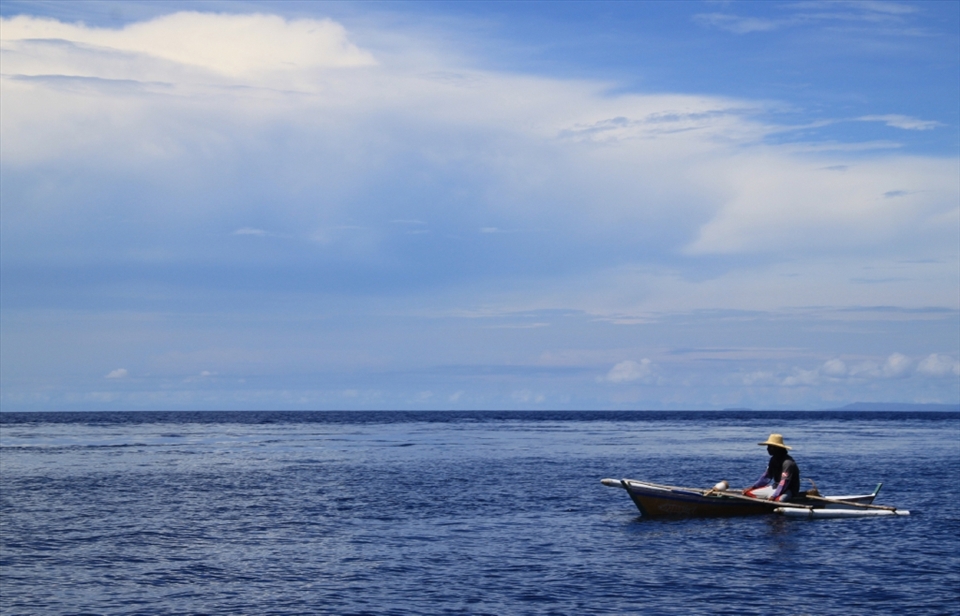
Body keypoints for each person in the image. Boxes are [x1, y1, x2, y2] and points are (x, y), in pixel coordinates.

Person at [744, 433, 800, 502]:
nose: (768, 449)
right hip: (775, 487)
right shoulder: (773, 460)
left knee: (778, 500)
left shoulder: (788, 463)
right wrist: (753, 487)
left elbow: (784, 483)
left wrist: (774, 496)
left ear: (777, 448)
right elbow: (766, 477)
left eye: (770, 447)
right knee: (747, 493)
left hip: (788, 490)